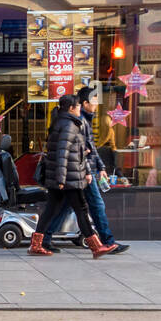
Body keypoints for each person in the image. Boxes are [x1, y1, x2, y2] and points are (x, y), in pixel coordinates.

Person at [29, 94, 120, 258]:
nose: (80, 109)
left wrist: (82, 155)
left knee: (51, 209)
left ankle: (36, 244)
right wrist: (62, 180)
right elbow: (62, 154)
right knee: (81, 209)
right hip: (68, 177)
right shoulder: (70, 125)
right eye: (78, 106)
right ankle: (96, 246)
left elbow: (65, 150)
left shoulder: (60, 122)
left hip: (65, 175)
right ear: (71, 108)